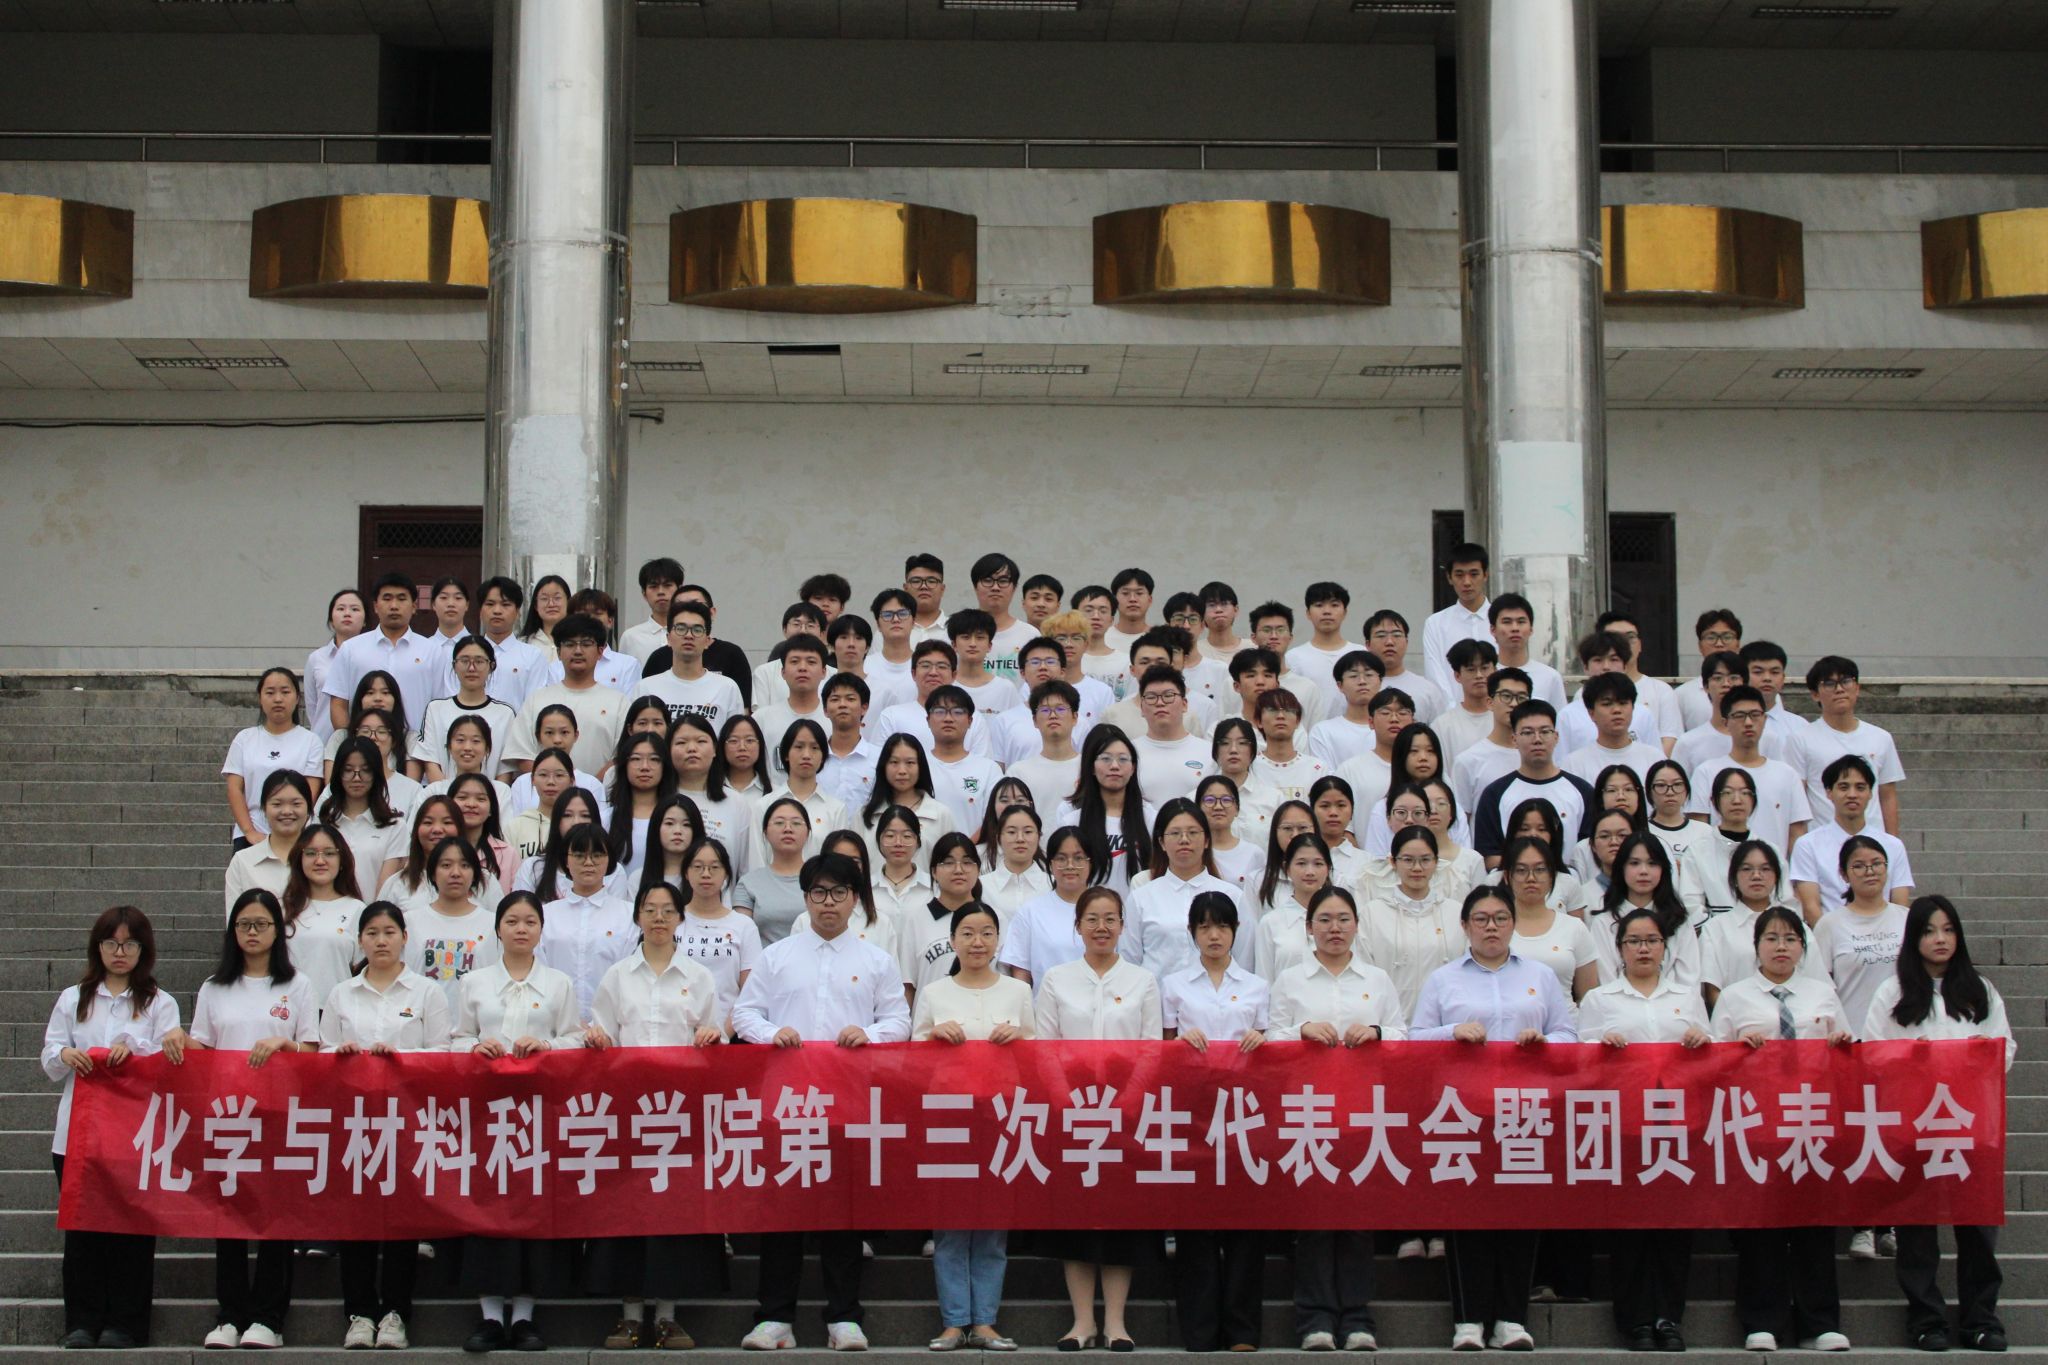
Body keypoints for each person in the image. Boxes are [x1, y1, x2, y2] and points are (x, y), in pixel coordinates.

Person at [732, 853, 913, 1353]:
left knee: (844, 1216)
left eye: (838, 893)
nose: (827, 902)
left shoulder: (875, 960)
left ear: (855, 900)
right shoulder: (777, 956)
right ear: (805, 898)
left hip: (847, 1106)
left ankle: (844, 1317)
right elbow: (744, 1014)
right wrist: (771, 1033)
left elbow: (899, 1021)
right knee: (781, 1216)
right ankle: (774, 1318)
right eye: (818, 892)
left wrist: (870, 1034)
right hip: (786, 1105)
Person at [1410, 884, 1576, 1351]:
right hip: (1464, 1111)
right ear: (1465, 926)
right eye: (1481, 919)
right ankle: (1468, 1320)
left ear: (1513, 924)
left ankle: (1510, 1318)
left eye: (1500, 918)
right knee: (1467, 1217)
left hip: (1525, 1110)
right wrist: (1452, 1032)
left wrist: (1544, 1043)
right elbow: (1415, 1038)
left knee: (1519, 1215)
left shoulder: (1540, 976)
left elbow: (1568, 1034)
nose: (1491, 927)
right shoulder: (1444, 979)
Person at [1864, 896, 2012, 1353]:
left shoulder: (1980, 989)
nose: (1940, 939)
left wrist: (1972, 1056)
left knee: (1977, 1228)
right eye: (1929, 931)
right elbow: (1872, 1054)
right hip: (1916, 1127)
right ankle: (1926, 1319)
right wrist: (1913, 1058)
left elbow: (2004, 1049)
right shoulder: (1892, 992)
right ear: (1914, 938)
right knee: (1917, 1229)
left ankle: (1980, 1320)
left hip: (1972, 1126)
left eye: (1948, 930)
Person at [584, 881, 725, 1350]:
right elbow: (602, 1032)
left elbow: (715, 1033)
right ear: (638, 917)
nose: (659, 918)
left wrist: (711, 1036)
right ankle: (628, 1317)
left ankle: (667, 1317)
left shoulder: (698, 976)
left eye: (668, 910)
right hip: (627, 1112)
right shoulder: (618, 976)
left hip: (679, 1115)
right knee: (627, 1213)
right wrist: (598, 1040)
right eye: (650, 909)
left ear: (681, 918)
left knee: (673, 1216)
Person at [1268, 885, 1406, 1351]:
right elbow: (1269, 1040)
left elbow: (1404, 1036)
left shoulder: (1377, 979)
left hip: (1364, 1114)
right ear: (1309, 927)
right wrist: (1301, 1030)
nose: (1334, 928)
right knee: (1314, 1222)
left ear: (1356, 926)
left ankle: (1357, 1319)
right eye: (1324, 920)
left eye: (1343, 919)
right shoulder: (1291, 980)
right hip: (1308, 1115)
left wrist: (1379, 1032)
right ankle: (1315, 1321)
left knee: (1356, 1222)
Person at [1711, 907, 1853, 1354]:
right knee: (1762, 1226)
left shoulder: (1822, 993)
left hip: (1811, 1122)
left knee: (1814, 1224)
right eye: (1771, 938)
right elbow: (1713, 1063)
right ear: (1756, 947)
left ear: (1803, 948)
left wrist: (1840, 1046)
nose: (1781, 947)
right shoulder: (1734, 997)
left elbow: (1850, 1052)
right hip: (1759, 1124)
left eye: (1790, 939)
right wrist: (1739, 1050)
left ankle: (1819, 1322)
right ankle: (1762, 1320)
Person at [43, 905, 185, 1350]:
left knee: (132, 1231)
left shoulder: (159, 1002)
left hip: (135, 1136)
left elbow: (171, 1061)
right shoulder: (74, 998)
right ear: (98, 947)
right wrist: (65, 1055)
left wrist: (135, 1050)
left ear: (144, 949)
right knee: (83, 1230)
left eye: (129, 944)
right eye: (111, 943)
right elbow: (50, 1055)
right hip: (79, 1134)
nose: (120, 952)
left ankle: (126, 1322)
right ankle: (82, 1322)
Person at [451, 890, 586, 1351]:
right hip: (485, 1113)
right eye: (512, 921)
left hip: (539, 1112)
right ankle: (490, 1316)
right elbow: (455, 1039)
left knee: (533, 1208)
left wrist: (547, 1047)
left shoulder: (559, 984)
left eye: (530, 921)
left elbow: (574, 1039)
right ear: (498, 929)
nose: (521, 929)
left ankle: (525, 1317)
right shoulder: (474, 982)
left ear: (541, 930)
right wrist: (476, 1048)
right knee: (487, 1208)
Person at [1576, 906, 1711, 1352]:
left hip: (1678, 1125)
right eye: (1634, 941)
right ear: (1619, 949)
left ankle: (1669, 1318)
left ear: (1664, 947)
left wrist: (1701, 1041)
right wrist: (1601, 1047)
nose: (1644, 949)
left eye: (1652, 940)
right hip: (1625, 1127)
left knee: (1674, 1227)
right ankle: (1635, 1321)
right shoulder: (1600, 1000)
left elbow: (1712, 1055)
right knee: (1630, 1228)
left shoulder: (1686, 997)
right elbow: (1579, 1061)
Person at [1034, 887, 1162, 1352]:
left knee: (1120, 1218)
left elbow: (1152, 1048)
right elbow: (1044, 1048)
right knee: (1076, 1220)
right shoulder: (1057, 979)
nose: (1101, 927)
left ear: (1123, 926)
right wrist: (1065, 1101)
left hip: (1127, 1113)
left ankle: (1116, 1323)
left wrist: (1129, 1101)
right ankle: (1082, 1321)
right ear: (1078, 926)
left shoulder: (1142, 980)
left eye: (1110, 919)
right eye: (1092, 919)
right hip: (1071, 1113)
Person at [321, 903, 453, 1350]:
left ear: (404, 938)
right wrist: (340, 1055)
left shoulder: (427, 992)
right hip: (354, 1120)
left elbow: (442, 1054)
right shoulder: (342, 993)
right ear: (360, 940)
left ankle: (395, 1313)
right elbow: (322, 1050)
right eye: (373, 933)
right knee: (356, 1216)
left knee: (402, 1218)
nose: (381, 941)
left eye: (390, 932)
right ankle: (359, 1313)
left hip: (407, 1119)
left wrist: (401, 1059)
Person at [192, 889, 320, 1348]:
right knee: (227, 1221)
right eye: (243, 924)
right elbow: (200, 1048)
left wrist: (285, 1046)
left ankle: (268, 1317)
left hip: (279, 1115)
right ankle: (230, 1314)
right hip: (227, 1117)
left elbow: (312, 1050)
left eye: (261, 924)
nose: (252, 932)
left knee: (275, 1219)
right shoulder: (214, 987)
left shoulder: (297, 985)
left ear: (277, 931)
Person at [912, 903, 1034, 1353]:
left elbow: (1038, 1050)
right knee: (949, 1223)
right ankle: (953, 1321)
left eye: (986, 933)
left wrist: (1019, 1037)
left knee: (992, 1223)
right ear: (953, 941)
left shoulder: (1018, 992)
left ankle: (984, 1321)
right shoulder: (935, 993)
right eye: (967, 933)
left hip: (1002, 1116)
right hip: (949, 1118)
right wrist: (933, 1036)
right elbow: (912, 1055)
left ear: (998, 940)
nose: (977, 942)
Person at [1158, 892, 1270, 1353]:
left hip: (1246, 1111)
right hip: (1193, 1110)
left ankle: (1242, 1330)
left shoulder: (1258, 986)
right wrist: (1179, 1043)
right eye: (1204, 927)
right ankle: (1200, 1330)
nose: (1214, 935)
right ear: (1192, 933)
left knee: (1245, 1223)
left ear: (1235, 931)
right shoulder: (1173, 985)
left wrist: (1261, 1040)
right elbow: (1161, 1048)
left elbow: (1273, 1045)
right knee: (1196, 1222)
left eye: (1222, 926)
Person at [1126, 798, 1247, 973]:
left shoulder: (1232, 895)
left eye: (1192, 832)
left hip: (1217, 990)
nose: (1184, 840)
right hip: (1157, 990)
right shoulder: (1141, 898)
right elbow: (1129, 962)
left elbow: (1244, 962)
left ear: (1206, 840)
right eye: (1175, 833)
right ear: (1161, 843)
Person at [1685, 685, 1811, 853]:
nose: (1748, 723)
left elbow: (1797, 835)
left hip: (1773, 867)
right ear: (1726, 722)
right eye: (1739, 716)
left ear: (1764, 719)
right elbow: (1698, 833)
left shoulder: (1787, 775)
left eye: (1755, 715)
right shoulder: (1706, 772)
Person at [1811, 834, 1909, 1049]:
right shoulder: (1830, 925)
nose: (1870, 871)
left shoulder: (1907, 919)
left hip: (1902, 1035)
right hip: (1851, 1038)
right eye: (1859, 866)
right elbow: (1818, 986)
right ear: (1844, 874)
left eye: (1877, 863)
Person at [1472, 701, 1596, 867]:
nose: (1537, 739)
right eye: (1528, 732)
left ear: (1556, 737)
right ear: (1514, 739)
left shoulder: (1583, 791)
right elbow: (1489, 855)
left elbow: (1589, 853)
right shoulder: (1495, 794)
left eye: (1545, 731)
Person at [1699, 839, 1820, 1010]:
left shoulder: (1796, 927)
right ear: (1733, 877)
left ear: (1776, 876)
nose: (1756, 876)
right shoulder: (1716, 929)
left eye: (1765, 869)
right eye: (1747, 869)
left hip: (1797, 1020)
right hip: (1738, 1021)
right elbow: (1712, 990)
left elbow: (1818, 984)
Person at [1790, 756, 1915, 920]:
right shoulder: (1807, 845)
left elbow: (1900, 905)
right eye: (1843, 787)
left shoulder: (1893, 845)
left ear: (1871, 793)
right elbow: (1810, 907)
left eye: (1860, 787)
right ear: (1829, 792)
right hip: (1830, 933)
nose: (1852, 794)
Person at [503, 614, 628, 778]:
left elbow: (621, 756)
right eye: (569, 644)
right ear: (559, 652)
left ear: (600, 652)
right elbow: (521, 754)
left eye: (586, 644)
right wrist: (554, 782)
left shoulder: (618, 703)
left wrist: (591, 786)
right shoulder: (537, 699)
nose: (578, 651)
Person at [324, 571, 439, 738]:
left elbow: (440, 706)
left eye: (401, 599)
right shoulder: (351, 649)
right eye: (387, 598)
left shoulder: (432, 651)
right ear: (375, 606)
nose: (394, 606)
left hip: (416, 746)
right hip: (363, 746)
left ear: (414, 606)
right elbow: (338, 704)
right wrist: (352, 743)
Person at [223, 666, 324, 850]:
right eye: (270, 693)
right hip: (251, 834)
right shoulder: (244, 739)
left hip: (297, 834)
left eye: (285, 692)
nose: (278, 699)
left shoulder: (311, 741)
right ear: (260, 698)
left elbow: (309, 792)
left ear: (297, 698)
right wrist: (249, 832)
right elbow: (234, 788)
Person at [1801, 655, 1905, 834]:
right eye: (1829, 683)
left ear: (1857, 688)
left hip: (1871, 843)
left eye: (1846, 681)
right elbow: (1797, 798)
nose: (1839, 689)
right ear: (1815, 694)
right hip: (1823, 842)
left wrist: (1891, 843)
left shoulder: (1881, 738)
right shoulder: (1800, 739)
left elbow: (1888, 797)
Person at [1587, 833, 1702, 989]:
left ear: (1663, 869)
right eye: (1634, 863)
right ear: (1621, 868)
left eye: (1652, 863)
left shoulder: (1679, 921)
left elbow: (1689, 982)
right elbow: (1606, 982)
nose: (1643, 871)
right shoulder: (1603, 923)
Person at [1053, 725, 1155, 895]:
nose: (1114, 766)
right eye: (1106, 759)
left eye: (1123, 759)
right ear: (1091, 766)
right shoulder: (1071, 820)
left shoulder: (1149, 817)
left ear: (1133, 768)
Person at [674, 836, 764, 1027]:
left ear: (726, 874)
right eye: (698, 867)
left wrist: (723, 1035)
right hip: (674, 1031)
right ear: (686, 873)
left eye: (714, 867)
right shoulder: (672, 921)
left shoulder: (744, 926)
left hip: (726, 1031)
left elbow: (749, 993)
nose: (706, 874)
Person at [1497, 835, 1599, 1002]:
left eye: (1540, 870)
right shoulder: (1494, 928)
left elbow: (1589, 998)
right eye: (1521, 870)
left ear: (1552, 877)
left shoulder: (1574, 927)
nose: (1531, 878)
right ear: (1507, 877)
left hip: (1564, 1017)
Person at [280, 821, 368, 1009]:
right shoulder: (283, 908)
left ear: (342, 860)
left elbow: (362, 969)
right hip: (288, 1009)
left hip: (337, 1010)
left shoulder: (357, 909)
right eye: (311, 853)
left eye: (329, 853)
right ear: (299, 860)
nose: (320, 861)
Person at [403, 836, 500, 1006]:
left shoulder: (492, 924)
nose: (455, 873)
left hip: (476, 1018)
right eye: (446, 865)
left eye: (465, 865)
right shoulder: (410, 921)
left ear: (475, 874)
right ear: (432, 873)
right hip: (420, 1016)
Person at [998, 826, 1095, 990]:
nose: (1070, 865)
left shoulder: (1108, 909)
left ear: (1090, 863)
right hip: (1047, 1004)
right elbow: (1021, 972)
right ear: (1050, 864)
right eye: (1061, 858)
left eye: (1078, 858)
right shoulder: (1031, 912)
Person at [414, 637, 516, 782]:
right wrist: (448, 794)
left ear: (491, 666)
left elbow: (505, 770)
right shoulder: (435, 709)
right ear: (454, 665)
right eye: (464, 661)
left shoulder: (505, 714)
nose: (471, 668)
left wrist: (489, 794)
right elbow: (430, 763)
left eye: (479, 661)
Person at [224, 770, 313, 914]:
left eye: (296, 804)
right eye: (277, 804)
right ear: (264, 809)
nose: (287, 811)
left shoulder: (322, 859)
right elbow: (235, 921)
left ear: (308, 808)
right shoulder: (243, 862)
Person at [1558, 671, 1665, 786]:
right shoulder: (1573, 765)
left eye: (1623, 703)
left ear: (1633, 708)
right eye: (1607, 704)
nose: (1617, 710)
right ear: (1591, 713)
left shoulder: (1654, 759)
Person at [1449, 667, 1529, 817]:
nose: (1513, 703)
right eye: (1506, 696)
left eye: (1521, 698)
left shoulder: (1537, 757)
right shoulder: (1468, 761)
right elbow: (1461, 821)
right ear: (1490, 702)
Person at [924, 684, 1007, 828]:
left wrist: (965, 843)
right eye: (940, 711)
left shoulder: (989, 769)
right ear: (928, 720)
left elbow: (993, 820)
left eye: (957, 712)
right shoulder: (917, 766)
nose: (948, 718)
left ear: (970, 721)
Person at [1126, 664, 1212, 801]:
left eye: (1168, 695)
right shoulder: (1129, 753)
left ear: (1184, 704)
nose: (1160, 703)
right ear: (1142, 708)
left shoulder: (1209, 752)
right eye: (1151, 697)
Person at [1253, 827, 1329, 983]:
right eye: (1301, 863)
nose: (1310, 872)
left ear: (1328, 868)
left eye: (1318, 864)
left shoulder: (1340, 920)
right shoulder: (1271, 923)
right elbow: (1264, 980)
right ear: (1287, 868)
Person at [1422, 543, 1492, 699]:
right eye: (1459, 575)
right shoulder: (1435, 623)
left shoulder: (1502, 620)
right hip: (1452, 711)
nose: (1467, 582)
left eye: (1474, 574)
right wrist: (1454, 709)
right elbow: (1435, 675)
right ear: (1449, 577)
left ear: (1485, 575)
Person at [752, 635, 832, 772]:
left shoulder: (834, 720)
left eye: (811, 662)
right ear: (783, 672)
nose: (802, 668)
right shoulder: (761, 719)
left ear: (824, 672)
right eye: (794, 661)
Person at [1284, 580, 1359, 717]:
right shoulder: (1293, 658)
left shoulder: (1361, 654)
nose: (1327, 611)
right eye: (1319, 605)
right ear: (1308, 613)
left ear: (1345, 612)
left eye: (1334, 605)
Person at [470, 577, 547, 711]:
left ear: (517, 613)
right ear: (480, 612)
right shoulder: (464, 655)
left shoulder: (533, 656)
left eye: (505, 604)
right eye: (490, 604)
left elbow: (534, 707)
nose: (497, 611)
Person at [1305, 649, 1385, 771]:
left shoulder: (1392, 728)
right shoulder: (1323, 732)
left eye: (1369, 675)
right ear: (1340, 685)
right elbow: (1325, 775)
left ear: (1380, 681)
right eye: (1353, 676)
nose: (1362, 681)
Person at [1362, 609, 1446, 723]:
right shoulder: (1358, 688)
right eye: (1381, 635)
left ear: (1406, 641)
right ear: (1368, 644)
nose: (1389, 642)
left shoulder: (1428, 690)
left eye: (1397, 635)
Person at [307, 588, 367, 743]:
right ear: (331, 620)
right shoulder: (316, 658)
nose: (347, 613)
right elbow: (312, 706)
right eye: (340, 609)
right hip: (323, 740)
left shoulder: (372, 657)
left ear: (365, 620)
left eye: (354, 609)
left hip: (364, 740)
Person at [1250, 687, 1329, 802]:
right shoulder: (1250, 767)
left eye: (1288, 710)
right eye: (1272, 710)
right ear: (1259, 721)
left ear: (1297, 721)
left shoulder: (1317, 769)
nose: (1281, 716)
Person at [1195, 773, 1265, 898]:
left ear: (1237, 808)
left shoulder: (1254, 854)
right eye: (1209, 800)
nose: (1218, 807)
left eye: (1226, 800)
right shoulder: (1192, 852)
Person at [1434, 638, 1500, 766]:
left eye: (1485, 668)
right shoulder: (1442, 726)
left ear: (1495, 671)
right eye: (1471, 669)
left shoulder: (1506, 719)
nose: (1479, 675)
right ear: (1457, 676)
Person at [1674, 609, 1742, 731]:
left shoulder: (1754, 690)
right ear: (1700, 645)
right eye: (1711, 637)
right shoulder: (1682, 694)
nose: (1719, 644)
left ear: (1738, 644)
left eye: (1727, 637)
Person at [981, 802, 1051, 912]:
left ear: (1039, 836)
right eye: (1011, 832)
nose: (1020, 839)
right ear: (998, 838)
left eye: (1028, 832)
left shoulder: (1053, 885)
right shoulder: (982, 887)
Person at [617, 556, 686, 664]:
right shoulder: (630, 637)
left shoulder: (692, 634)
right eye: (653, 586)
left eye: (667, 585)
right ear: (644, 594)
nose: (661, 592)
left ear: (680, 590)